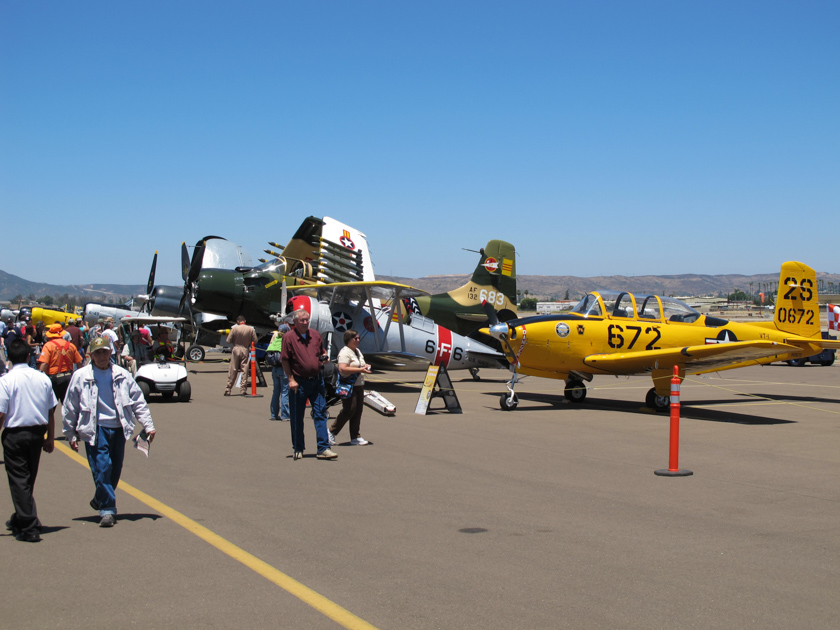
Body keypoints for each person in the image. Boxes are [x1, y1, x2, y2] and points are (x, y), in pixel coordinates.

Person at [62, 336, 156, 528]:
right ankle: (107, 510)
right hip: (95, 428)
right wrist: (70, 434)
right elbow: (70, 406)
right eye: (98, 353)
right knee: (102, 468)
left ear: (111, 352)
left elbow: (138, 400)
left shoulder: (122, 374)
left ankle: (100, 496)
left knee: (115, 469)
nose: (102, 356)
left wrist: (148, 425)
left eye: (105, 352)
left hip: (119, 427)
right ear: (91, 356)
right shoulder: (81, 376)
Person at [0, 339, 57, 542]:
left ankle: (29, 526)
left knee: (19, 480)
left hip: (15, 434)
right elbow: (51, 410)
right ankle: (20, 518)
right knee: (28, 478)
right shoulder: (42, 379)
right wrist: (50, 437)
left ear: (9, 358)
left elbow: (1, 413)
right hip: (36, 433)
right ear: (28, 356)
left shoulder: (6, 380)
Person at [280, 309, 337, 460]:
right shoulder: (289, 338)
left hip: (317, 381)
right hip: (299, 383)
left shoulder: (315, 335)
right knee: (297, 416)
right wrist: (291, 379)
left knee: (320, 414)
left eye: (307, 320)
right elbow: (285, 360)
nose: (305, 323)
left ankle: (323, 448)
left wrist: (324, 357)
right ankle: (298, 448)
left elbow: (321, 351)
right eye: (302, 320)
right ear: (295, 322)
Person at [328, 330, 372, 446]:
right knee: (349, 410)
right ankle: (332, 431)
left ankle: (355, 436)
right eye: (355, 338)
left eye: (358, 338)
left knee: (358, 411)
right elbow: (342, 369)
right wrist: (360, 370)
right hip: (348, 385)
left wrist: (365, 366)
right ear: (349, 339)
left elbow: (360, 364)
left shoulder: (357, 351)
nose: (358, 340)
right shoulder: (344, 352)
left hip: (359, 385)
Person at [37, 323, 83, 403]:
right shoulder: (70, 345)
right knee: (68, 406)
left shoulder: (48, 346)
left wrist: (40, 379)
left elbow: (44, 364)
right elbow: (79, 362)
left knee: (50, 408)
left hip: (54, 378)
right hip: (69, 377)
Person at [225, 316, 257, 396]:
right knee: (244, 369)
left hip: (236, 348)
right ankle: (243, 389)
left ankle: (228, 388)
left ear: (238, 321)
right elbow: (255, 340)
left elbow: (228, 340)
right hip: (245, 349)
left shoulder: (234, 329)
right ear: (245, 320)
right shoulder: (250, 329)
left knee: (233, 369)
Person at [266, 324, 290, 421]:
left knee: (276, 392)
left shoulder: (274, 341)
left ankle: (273, 414)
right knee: (285, 392)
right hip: (284, 369)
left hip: (274, 369)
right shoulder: (286, 342)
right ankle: (285, 415)